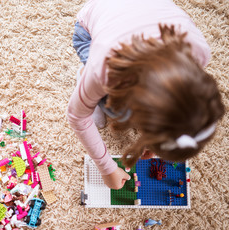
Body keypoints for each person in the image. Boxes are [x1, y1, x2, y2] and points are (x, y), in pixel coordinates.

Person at [67, 0, 225, 190]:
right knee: (118, 111)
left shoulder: (200, 53)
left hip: (133, 13)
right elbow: (77, 117)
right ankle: (83, 79)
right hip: (90, 27)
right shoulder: (104, 71)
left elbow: (177, 108)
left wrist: (155, 138)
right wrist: (107, 169)